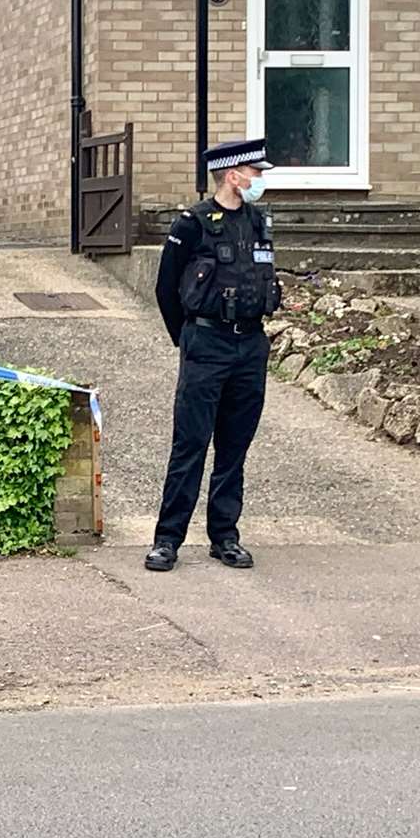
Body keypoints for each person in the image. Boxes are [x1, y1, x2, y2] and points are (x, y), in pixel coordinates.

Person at [146, 139, 283, 573]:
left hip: (250, 346)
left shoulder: (260, 222)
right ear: (231, 175)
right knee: (190, 444)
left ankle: (225, 535)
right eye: (254, 173)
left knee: (234, 446)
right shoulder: (193, 224)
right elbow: (166, 288)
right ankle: (168, 539)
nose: (260, 180)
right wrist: (186, 340)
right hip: (206, 344)